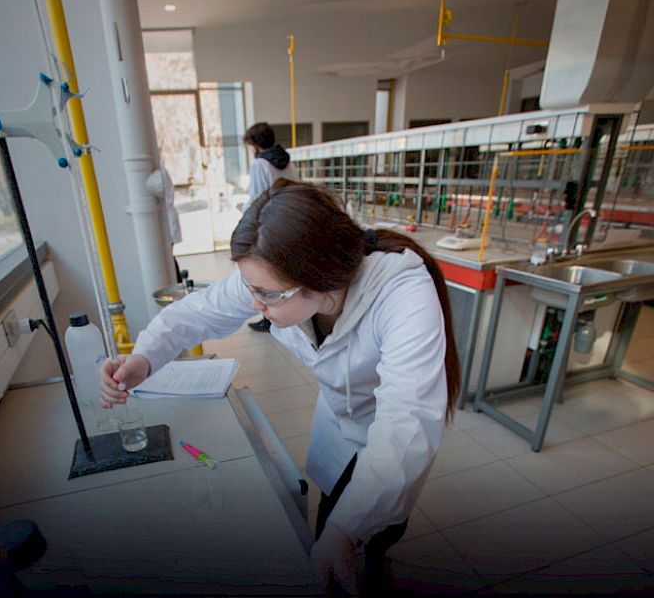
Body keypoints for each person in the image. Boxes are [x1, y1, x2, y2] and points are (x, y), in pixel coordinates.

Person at [100, 180, 460, 595]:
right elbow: (198, 313)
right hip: (339, 420)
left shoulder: (403, 295)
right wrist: (143, 359)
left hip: (390, 438)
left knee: (361, 531)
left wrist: (344, 531)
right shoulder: (274, 275)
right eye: (251, 289)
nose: (254, 303)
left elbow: (406, 425)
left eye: (266, 296)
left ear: (320, 281)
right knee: (334, 513)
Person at [241, 122, 300, 332]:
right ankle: (289, 313)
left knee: (268, 270)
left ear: (255, 143)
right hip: (291, 218)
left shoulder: (260, 164)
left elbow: (258, 197)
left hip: (269, 222)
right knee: (286, 267)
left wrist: (244, 211)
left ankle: (269, 317)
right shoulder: (287, 161)